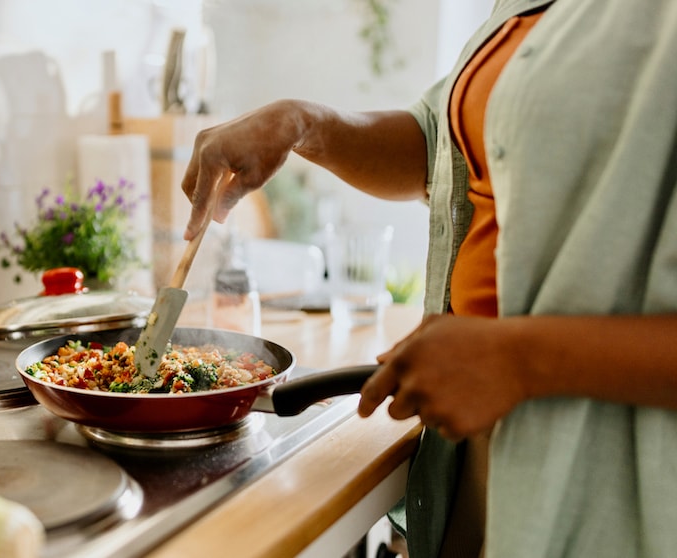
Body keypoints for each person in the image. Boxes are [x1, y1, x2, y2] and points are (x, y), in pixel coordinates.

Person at [179, 0, 677, 557]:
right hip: (480, 445)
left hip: (615, 475)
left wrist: (518, 359)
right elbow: (441, 144)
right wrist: (301, 122)